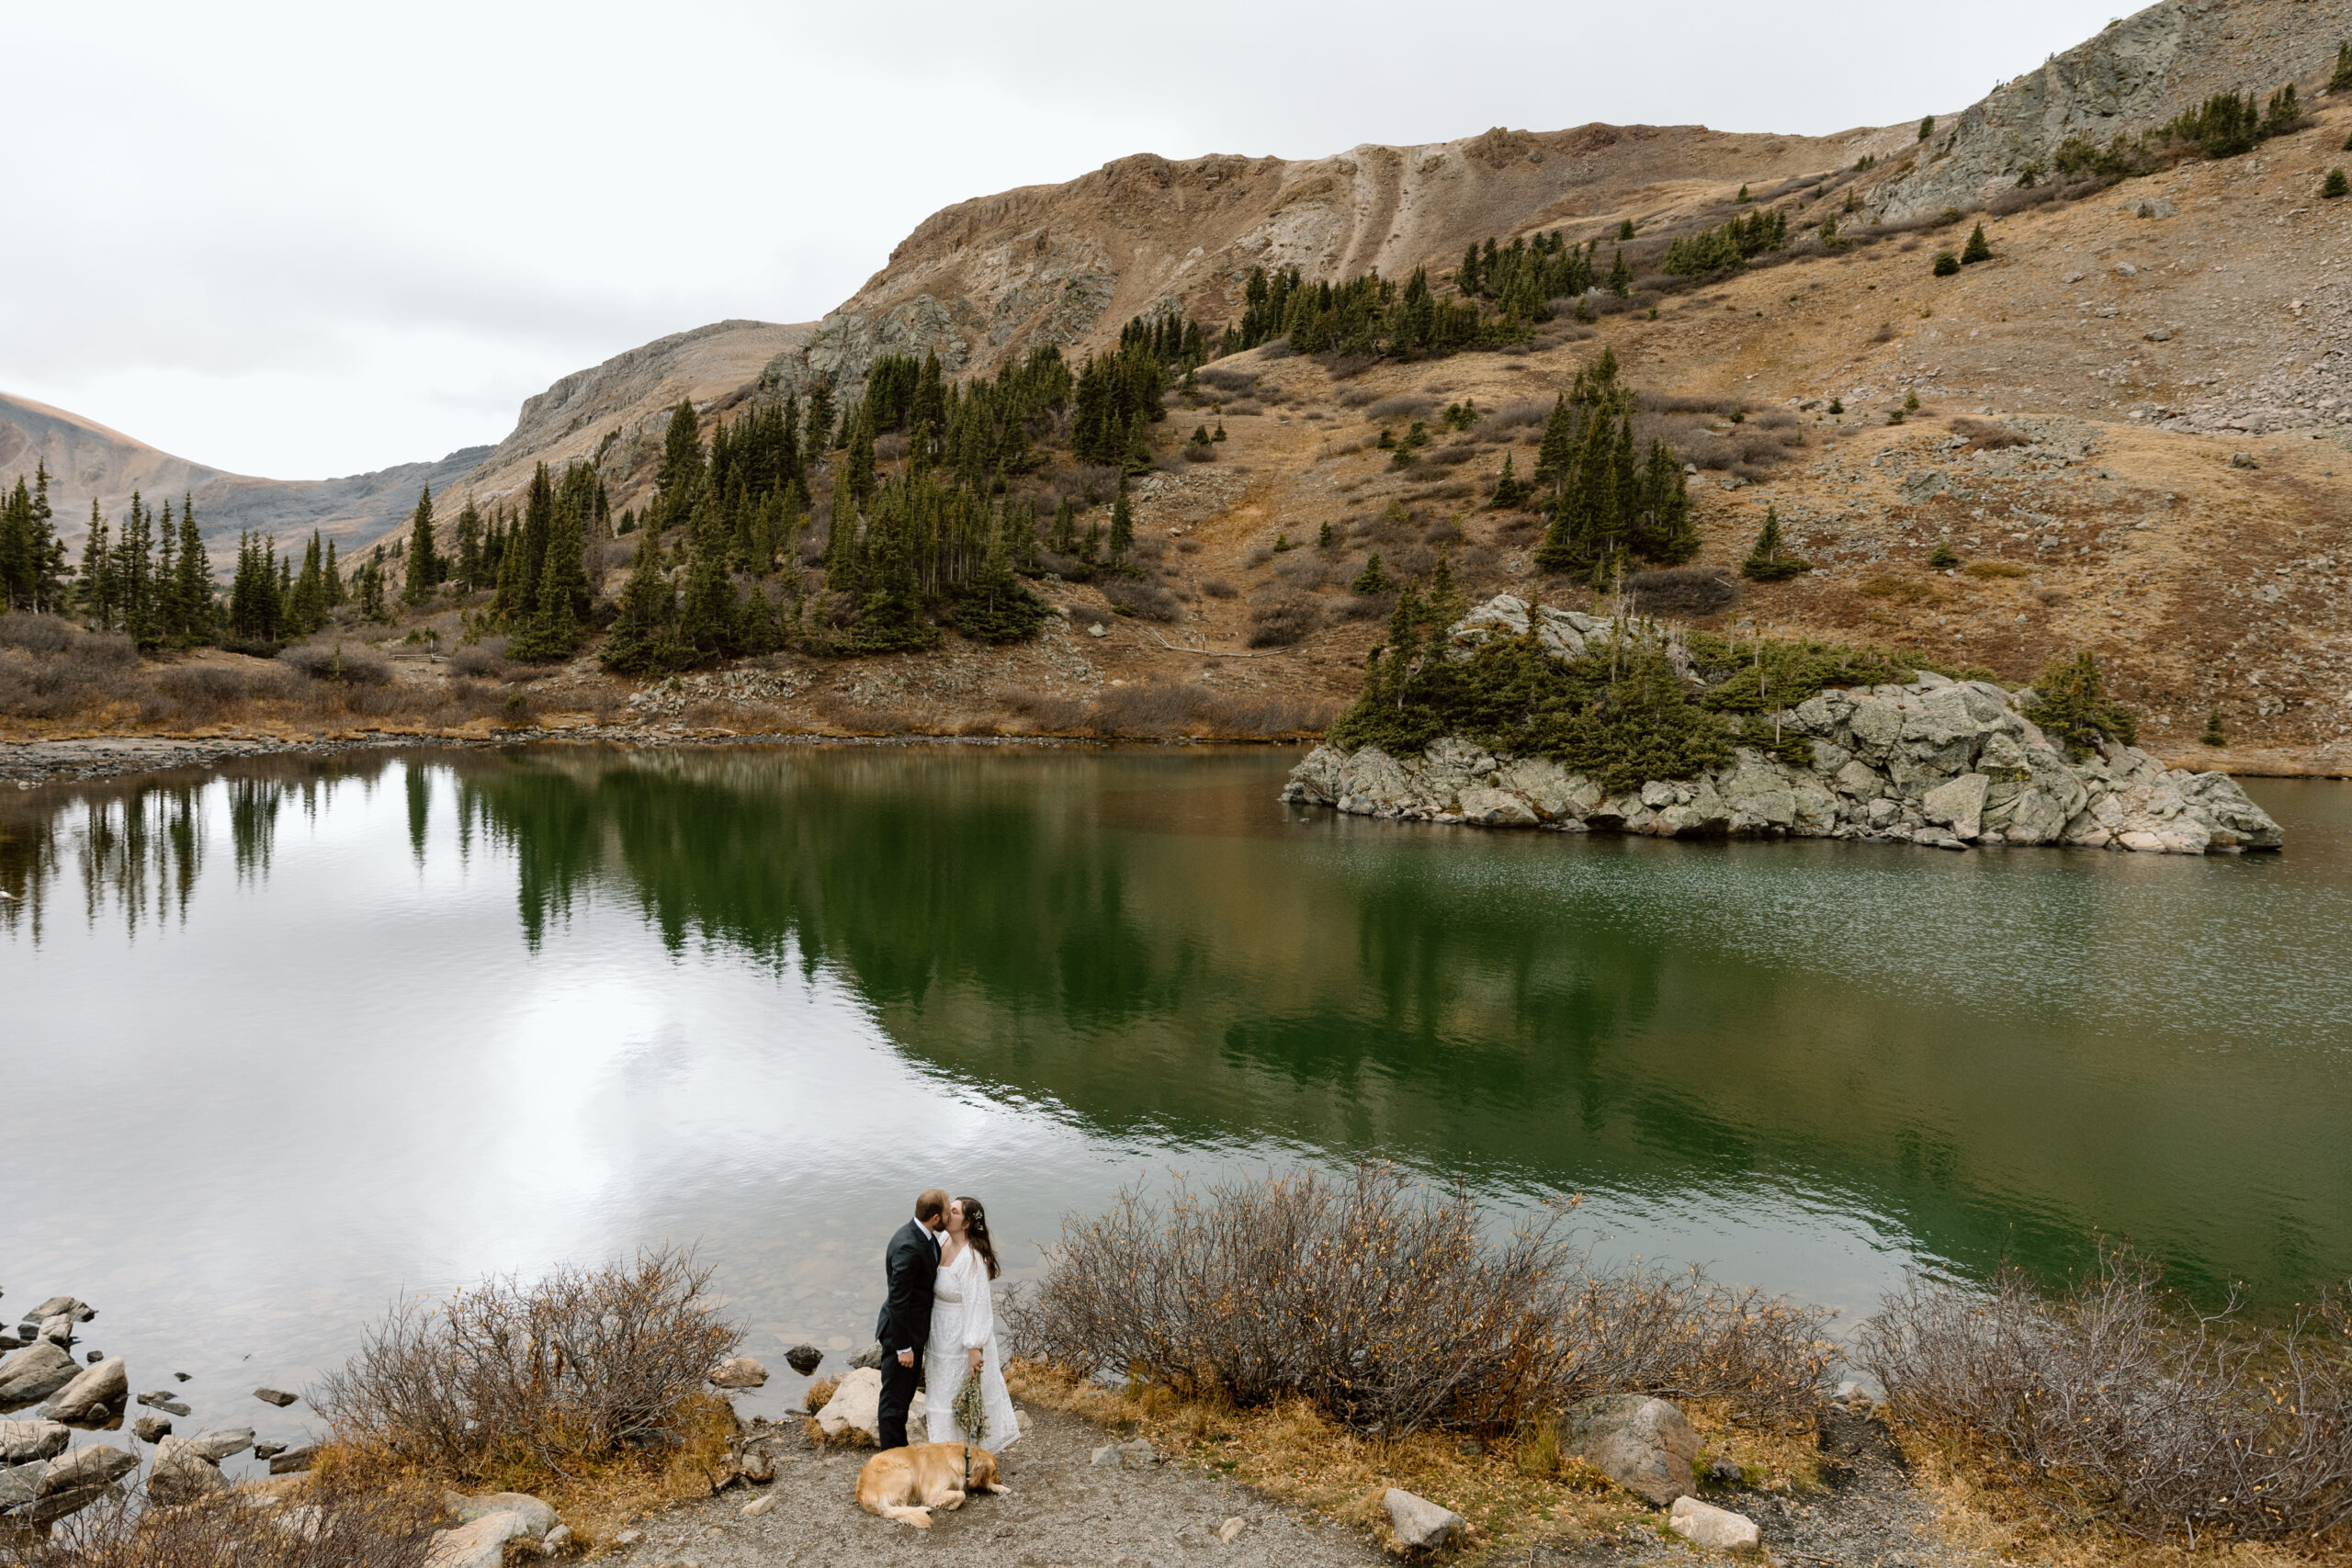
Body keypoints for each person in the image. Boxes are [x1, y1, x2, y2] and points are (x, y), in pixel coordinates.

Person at [923, 1194, 1021, 1450]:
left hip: (961, 1336)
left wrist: (974, 1346)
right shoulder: (943, 1240)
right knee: (941, 1394)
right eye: (949, 1209)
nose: (948, 1213)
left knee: (957, 1395)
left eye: (954, 1212)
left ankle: (965, 1456)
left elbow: (978, 1304)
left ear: (966, 1224)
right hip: (940, 1334)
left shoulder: (972, 1258)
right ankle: (943, 1450)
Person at [875, 1188, 949, 1452]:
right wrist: (903, 1347)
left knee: (904, 1398)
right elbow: (898, 1300)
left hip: (913, 1333)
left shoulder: (924, 1237)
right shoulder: (908, 1245)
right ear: (936, 1218)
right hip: (901, 1336)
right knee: (894, 1402)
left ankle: (899, 1452)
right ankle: (891, 1459)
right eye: (947, 1209)